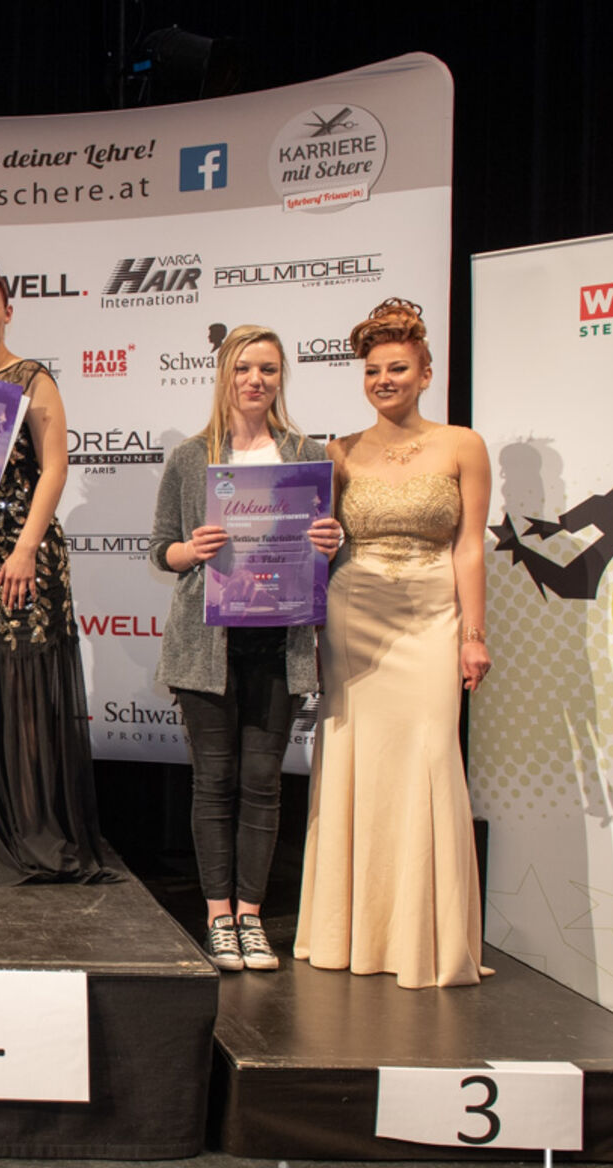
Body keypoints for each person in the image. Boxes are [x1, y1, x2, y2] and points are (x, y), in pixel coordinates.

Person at [296, 298, 494, 988]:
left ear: (425, 373)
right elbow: (320, 546)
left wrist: (473, 634)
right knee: (357, 762)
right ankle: (346, 932)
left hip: (433, 617)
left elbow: (470, 548)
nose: (384, 380)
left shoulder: (463, 445)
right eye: (374, 370)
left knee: (430, 754)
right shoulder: (339, 452)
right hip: (355, 616)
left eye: (398, 368)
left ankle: (423, 942)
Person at [150, 326, 342, 970]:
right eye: (243, 368)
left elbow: (328, 554)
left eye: (268, 369)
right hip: (207, 647)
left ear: (281, 377)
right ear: (224, 376)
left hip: (280, 645)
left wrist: (331, 545)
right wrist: (191, 550)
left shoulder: (308, 455)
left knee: (263, 783)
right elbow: (161, 549)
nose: (255, 380)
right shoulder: (190, 458)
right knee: (214, 782)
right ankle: (217, 917)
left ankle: (251, 918)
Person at [0, 239, 125, 885]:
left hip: (25, 553)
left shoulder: (32, 378)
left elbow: (55, 468)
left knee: (23, 689)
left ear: (9, 312)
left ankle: (33, 832)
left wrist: (24, 548)